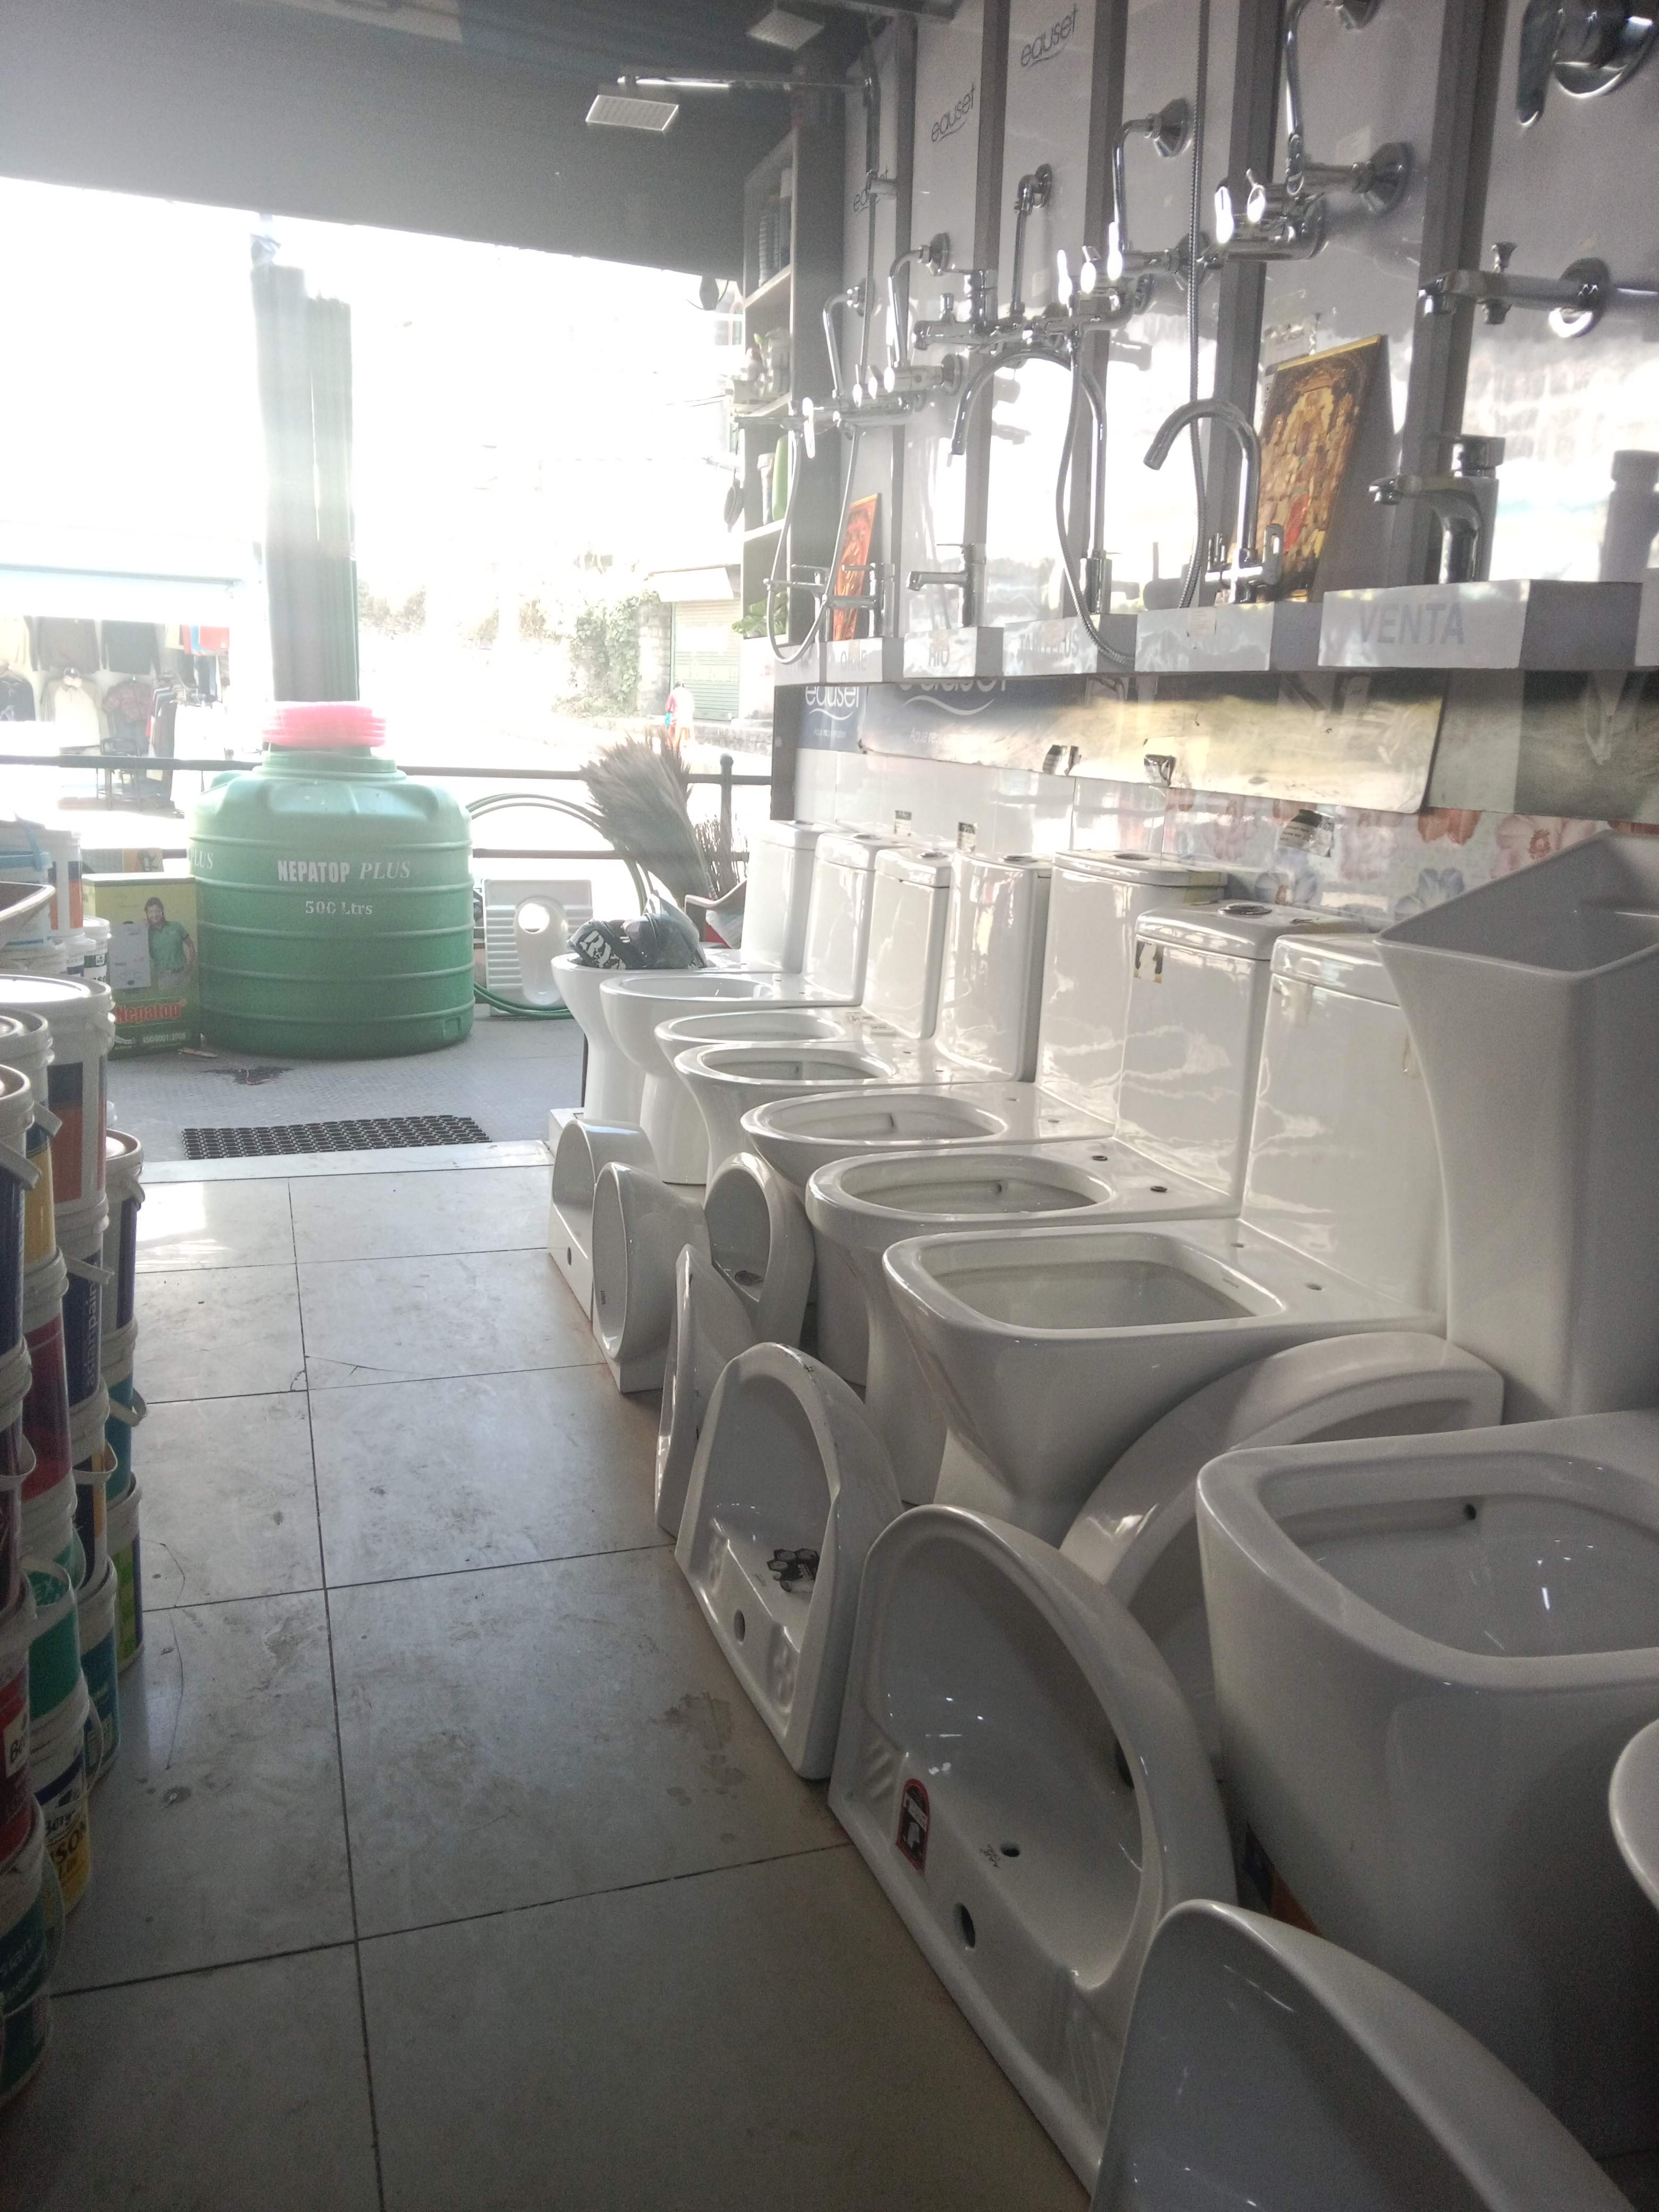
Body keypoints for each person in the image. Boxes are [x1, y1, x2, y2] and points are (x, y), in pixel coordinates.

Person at [145, 895, 195, 988]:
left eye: (157, 911)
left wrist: (190, 964)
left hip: (184, 974)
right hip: (164, 978)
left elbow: (191, 945)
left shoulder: (176, 926)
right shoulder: (146, 934)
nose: (155, 915)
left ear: (162, 911)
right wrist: (141, 928)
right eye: (151, 912)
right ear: (147, 915)